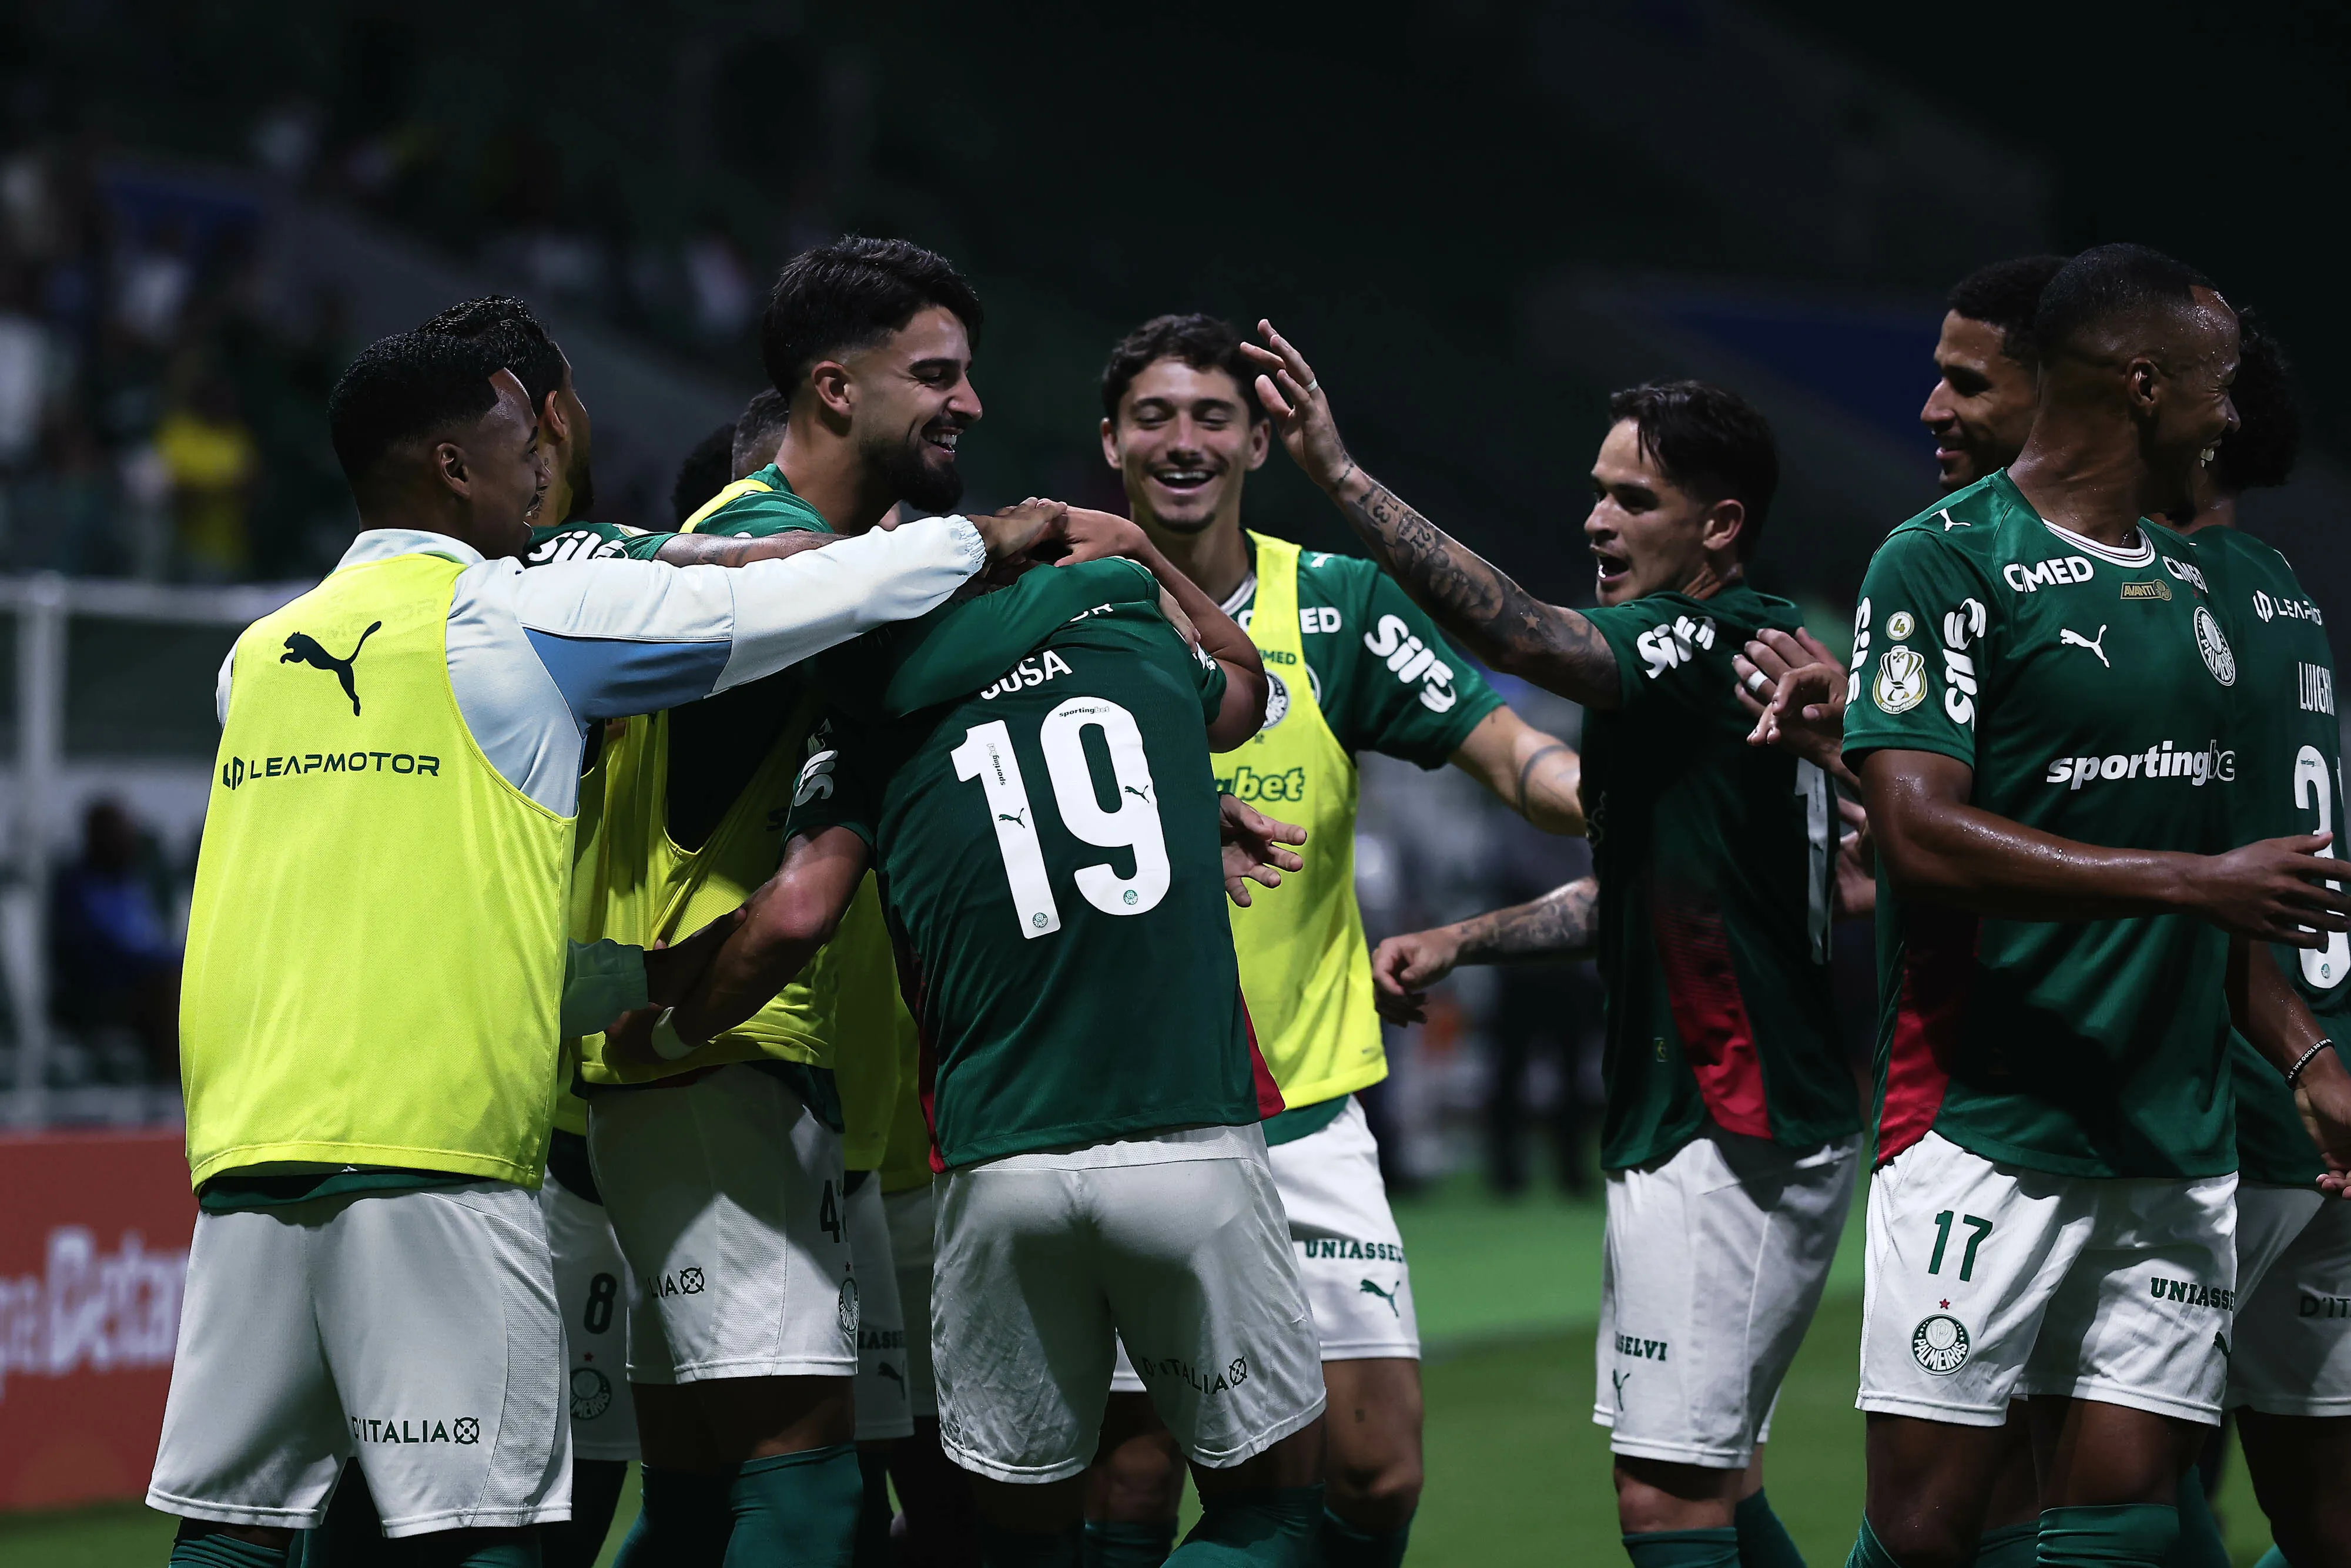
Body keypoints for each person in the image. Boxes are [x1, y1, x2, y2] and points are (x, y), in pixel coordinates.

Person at [146, 326, 1042, 1568]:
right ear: (456, 465)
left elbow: (408, 912)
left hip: (246, 1156)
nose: (546, 471)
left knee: (238, 1526)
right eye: (528, 445)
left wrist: (634, 976)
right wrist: (979, 541)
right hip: (436, 1157)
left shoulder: (255, 662)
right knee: (485, 1529)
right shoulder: (509, 615)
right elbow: (766, 603)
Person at [1260, 332, 1856, 1568]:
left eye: (1633, 497)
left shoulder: (1711, 644)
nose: (1594, 517)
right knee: (1722, 1479)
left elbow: (1528, 638)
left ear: (1718, 524)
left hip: (1727, 1114)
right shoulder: (1728, 659)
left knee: (1666, 1498)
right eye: (1594, 488)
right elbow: (1635, 891)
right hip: (1722, 1108)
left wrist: (1342, 480)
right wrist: (1464, 940)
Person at [649, 505, 1329, 1568]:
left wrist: (660, 1029)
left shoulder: (863, 709)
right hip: (1182, 1130)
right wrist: (1147, 555)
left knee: (1017, 1539)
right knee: (1275, 1514)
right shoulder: (1122, 618)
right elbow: (1243, 692)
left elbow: (793, 916)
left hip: (993, 1160)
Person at [557, 236, 1081, 1568]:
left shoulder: (810, 574)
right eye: (937, 376)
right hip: (714, 1061)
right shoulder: (762, 557)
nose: (968, 404)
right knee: (812, 1490)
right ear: (835, 392)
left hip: (713, 1071)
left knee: (693, 1490)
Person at [1830, 244, 2351, 1568]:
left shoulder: (2194, 599)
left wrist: (2303, 1057)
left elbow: (2222, 892)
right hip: (1985, 1119)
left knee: (2120, 1504)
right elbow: (1912, 829)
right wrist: (2194, 880)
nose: (2230, 413)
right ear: (2139, 385)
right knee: (1926, 1524)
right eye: (2213, 385)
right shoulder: (1941, 559)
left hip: (2167, 1135)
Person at [1080, 313, 1584, 1568]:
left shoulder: (1338, 603)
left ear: (1259, 437)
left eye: (1210, 416)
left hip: (1303, 1107)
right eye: (1153, 415)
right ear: (1110, 443)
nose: (1182, 439)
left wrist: (1634, 805)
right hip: (1120, 1111)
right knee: (1133, 1479)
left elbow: (1512, 756)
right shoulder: (1062, 607)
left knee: (1374, 1468)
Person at [2170, 313, 2351, 1568]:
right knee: (2315, 1511)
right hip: (2319, 1085)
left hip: (2232, 1099)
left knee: (2099, 1487)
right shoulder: (2284, 590)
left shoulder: (2167, 598)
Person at [1921, 256, 2071, 492]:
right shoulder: (1932, 530)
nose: (1930, 413)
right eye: (1942, 377)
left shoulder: (2145, 529)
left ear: (2063, 395)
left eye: (1969, 386)